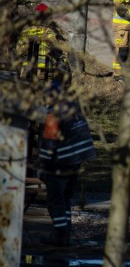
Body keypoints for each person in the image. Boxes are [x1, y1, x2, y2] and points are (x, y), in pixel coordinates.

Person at [37, 84, 97, 246]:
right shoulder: (74, 108)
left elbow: (48, 145)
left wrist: (41, 166)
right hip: (77, 161)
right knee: (65, 199)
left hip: (62, 163)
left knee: (55, 200)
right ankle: (66, 232)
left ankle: (60, 236)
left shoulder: (52, 114)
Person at [15, 3, 69, 85]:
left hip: (26, 69)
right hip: (44, 70)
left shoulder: (26, 30)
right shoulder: (48, 31)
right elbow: (55, 45)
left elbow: (19, 49)